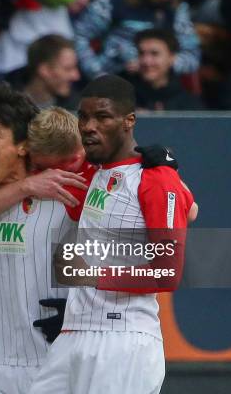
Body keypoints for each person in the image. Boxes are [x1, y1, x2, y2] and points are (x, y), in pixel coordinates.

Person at [28, 75, 195, 394]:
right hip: (75, 333)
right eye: (84, 117)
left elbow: (167, 275)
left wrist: (91, 275)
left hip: (124, 337)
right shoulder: (94, 173)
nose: (89, 126)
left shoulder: (155, 179)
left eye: (102, 116)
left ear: (128, 121)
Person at [0, 99, 90, 394]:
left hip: (57, 358)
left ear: (22, 147)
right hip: (2, 361)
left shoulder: (76, 186)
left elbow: (123, 250)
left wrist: (78, 314)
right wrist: (26, 186)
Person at [74, 0, 200, 79]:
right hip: (113, 83)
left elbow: (192, 56)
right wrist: (96, 72)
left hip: (158, 89)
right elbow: (80, 36)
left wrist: (154, 64)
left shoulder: (176, 7)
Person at [123, 28, 204, 111]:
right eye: (141, 53)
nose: (146, 61)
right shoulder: (122, 98)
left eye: (155, 54)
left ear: (171, 57)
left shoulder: (188, 105)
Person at [23, 34, 81, 110]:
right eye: (68, 69)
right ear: (44, 70)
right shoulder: (6, 105)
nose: (76, 76)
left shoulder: (77, 109)